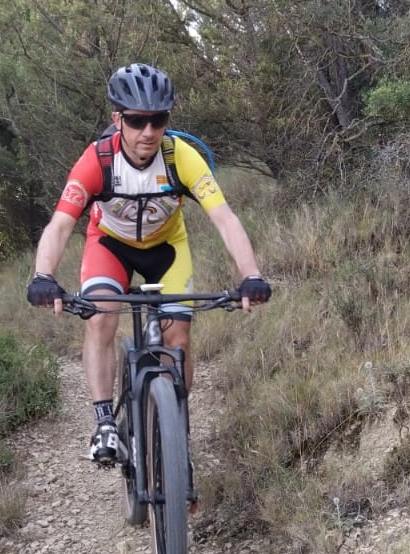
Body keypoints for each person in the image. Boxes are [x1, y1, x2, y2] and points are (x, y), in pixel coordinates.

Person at [26, 63, 272, 461]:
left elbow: (225, 218)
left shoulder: (181, 158)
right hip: (110, 247)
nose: (148, 131)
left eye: (158, 120)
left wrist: (251, 275)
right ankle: (105, 423)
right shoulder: (98, 160)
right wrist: (43, 276)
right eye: (137, 121)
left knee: (178, 338)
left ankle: (174, 432)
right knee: (101, 315)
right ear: (117, 120)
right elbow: (60, 224)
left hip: (167, 249)